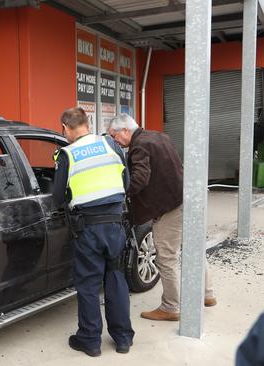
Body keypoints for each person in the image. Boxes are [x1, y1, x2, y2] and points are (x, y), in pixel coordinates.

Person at [107, 113, 217, 322]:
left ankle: (170, 307)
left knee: (166, 258)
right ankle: (207, 294)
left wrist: (120, 192)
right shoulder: (159, 137)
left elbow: (140, 178)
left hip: (170, 207)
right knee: (194, 250)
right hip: (188, 199)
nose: (114, 141)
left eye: (114, 136)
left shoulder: (138, 146)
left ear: (125, 131)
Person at [53, 107, 134, 357]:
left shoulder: (67, 154)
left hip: (88, 229)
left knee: (88, 284)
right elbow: (126, 183)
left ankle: (90, 341)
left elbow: (57, 198)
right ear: (87, 124)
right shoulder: (111, 144)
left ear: (65, 128)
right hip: (116, 225)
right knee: (117, 279)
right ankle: (122, 339)